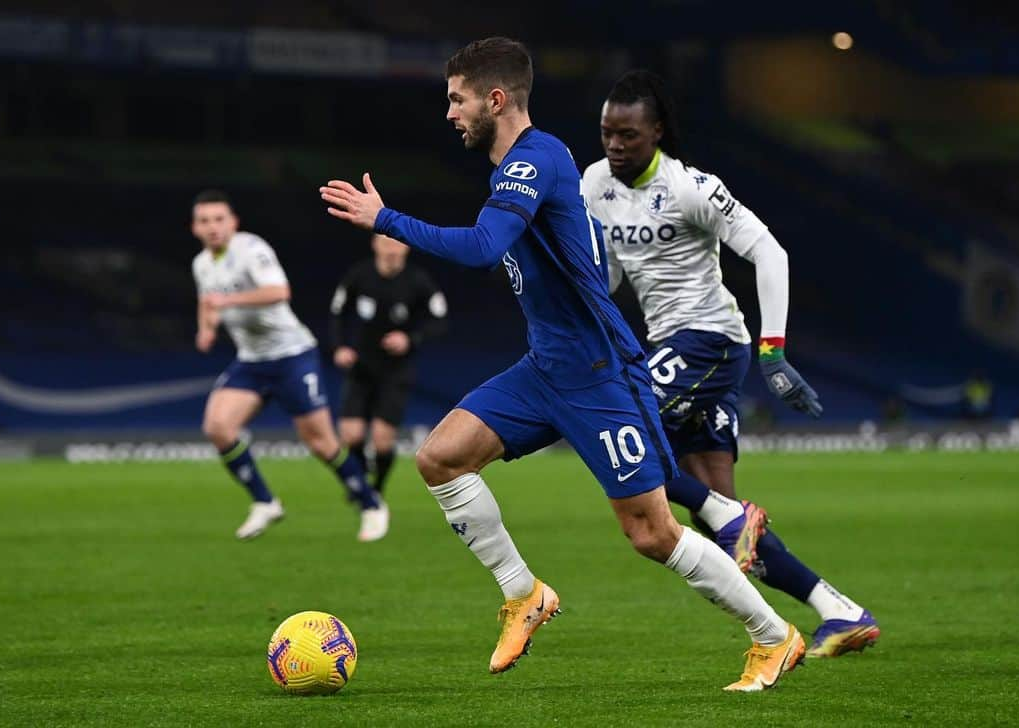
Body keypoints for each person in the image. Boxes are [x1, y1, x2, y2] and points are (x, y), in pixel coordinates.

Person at [321, 38, 804, 691]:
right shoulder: (512, 169)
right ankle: (524, 595)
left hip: (601, 374)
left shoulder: (538, 157)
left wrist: (387, 220)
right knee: (440, 457)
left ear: (496, 99)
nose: (449, 113)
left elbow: (483, 245)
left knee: (652, 532)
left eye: (456, 99)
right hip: (546, 367)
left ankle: (775, 636)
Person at [581, 70, 880, 658]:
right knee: (729, 537)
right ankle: (838, 611)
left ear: (657, 132)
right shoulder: (594, 185)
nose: (614, 145)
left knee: (622, 438)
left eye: (628, 135)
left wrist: (774, 351)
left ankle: (725, 514)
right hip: (665, 346)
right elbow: (613, 272)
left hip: (711, 340)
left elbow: (769, 250)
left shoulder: (692, 187)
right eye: (606, 133)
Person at [190, 190, 388, 542]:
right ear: (195, 228)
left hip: (292, 356)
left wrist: (228, 300)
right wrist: (206, 329)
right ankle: (265, 502)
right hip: (252, 361)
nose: (213, 227)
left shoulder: (252, 250)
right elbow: (208, 301)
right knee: (218, 427)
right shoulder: (202, 264)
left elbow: (279, 291)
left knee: (322, 444)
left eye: (219, 219)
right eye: (204, 221)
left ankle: (370, 503)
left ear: (233, 223)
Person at [330, 233, 448, 494]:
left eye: (397, 243)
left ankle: (377, 489)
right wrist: (339, 347)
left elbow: (439, 320)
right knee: (350, 435)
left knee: (383, 442)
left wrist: (410, 338)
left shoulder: (418, 281)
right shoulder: (359, 276)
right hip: (361, 367)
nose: (391, 250)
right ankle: (360, 482)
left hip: (396, 371)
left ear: (406, 247)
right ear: (375, 245)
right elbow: (338, 312)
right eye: (386, 243)